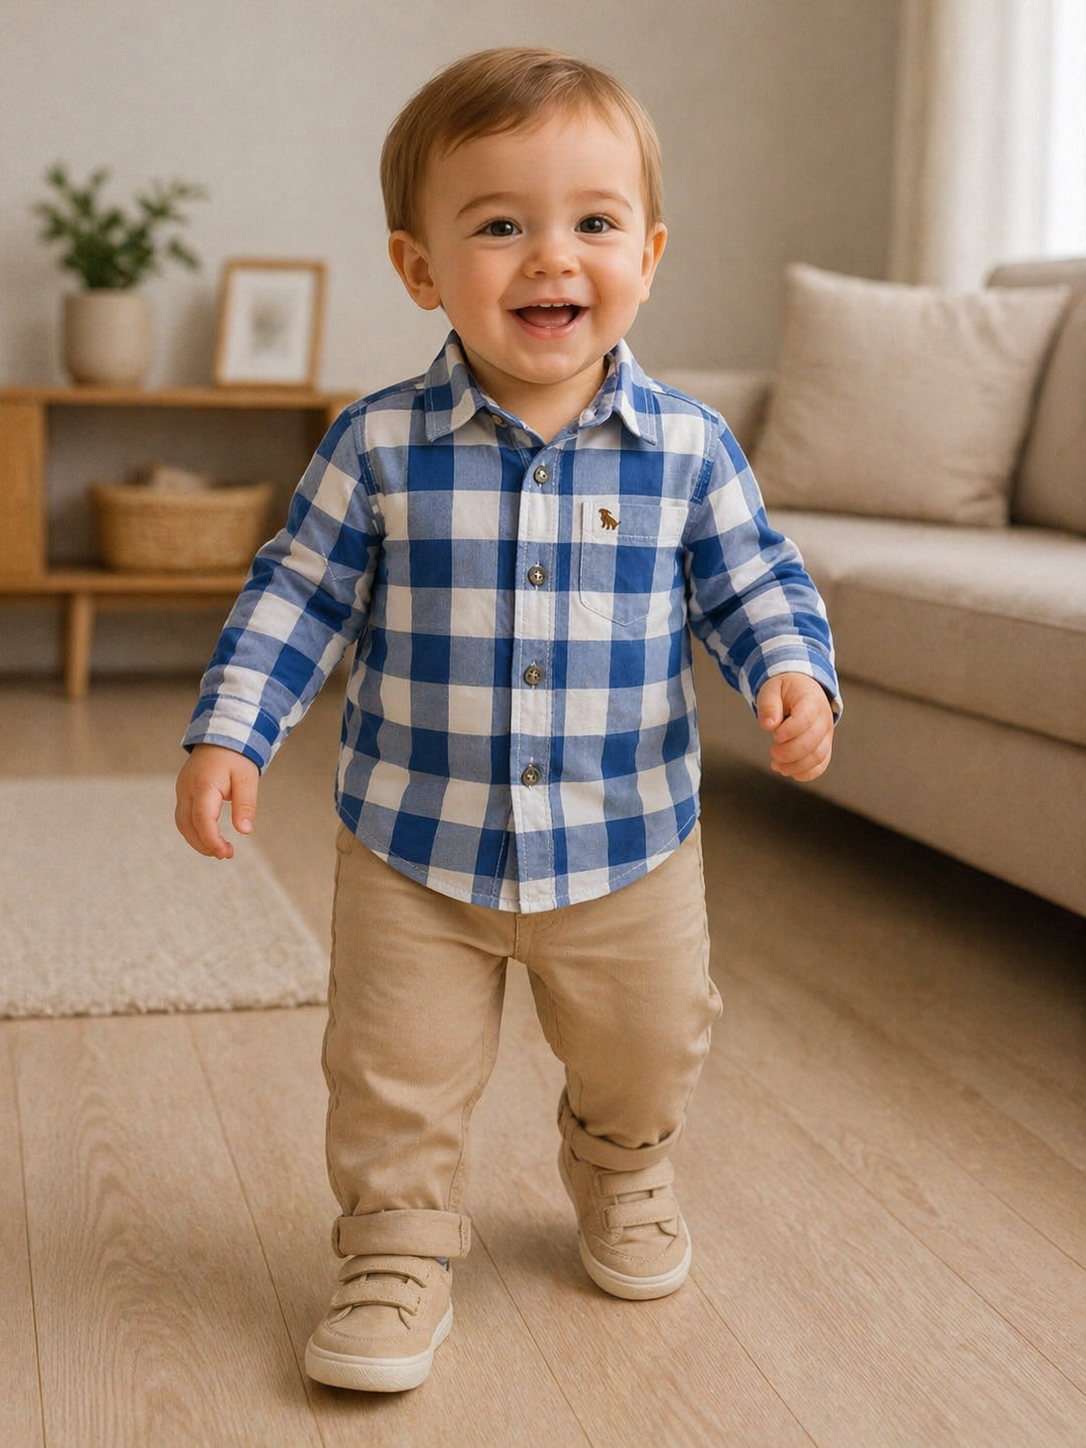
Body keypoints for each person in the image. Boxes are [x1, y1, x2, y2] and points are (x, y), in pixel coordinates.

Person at [175, 46, 840, 1394]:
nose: (551, 256)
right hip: (417, 847)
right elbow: (295, 597)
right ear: (421, 268)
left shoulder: (690, 449)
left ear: (645, 254)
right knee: (392, 1070)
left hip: (628, 845)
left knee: (650, 1043)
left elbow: (753, 579)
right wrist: (232, 730)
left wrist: (788, 668)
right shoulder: (375, 446)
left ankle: (621, 1168)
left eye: (591, 222)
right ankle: (395, 1245)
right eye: (499, 225)